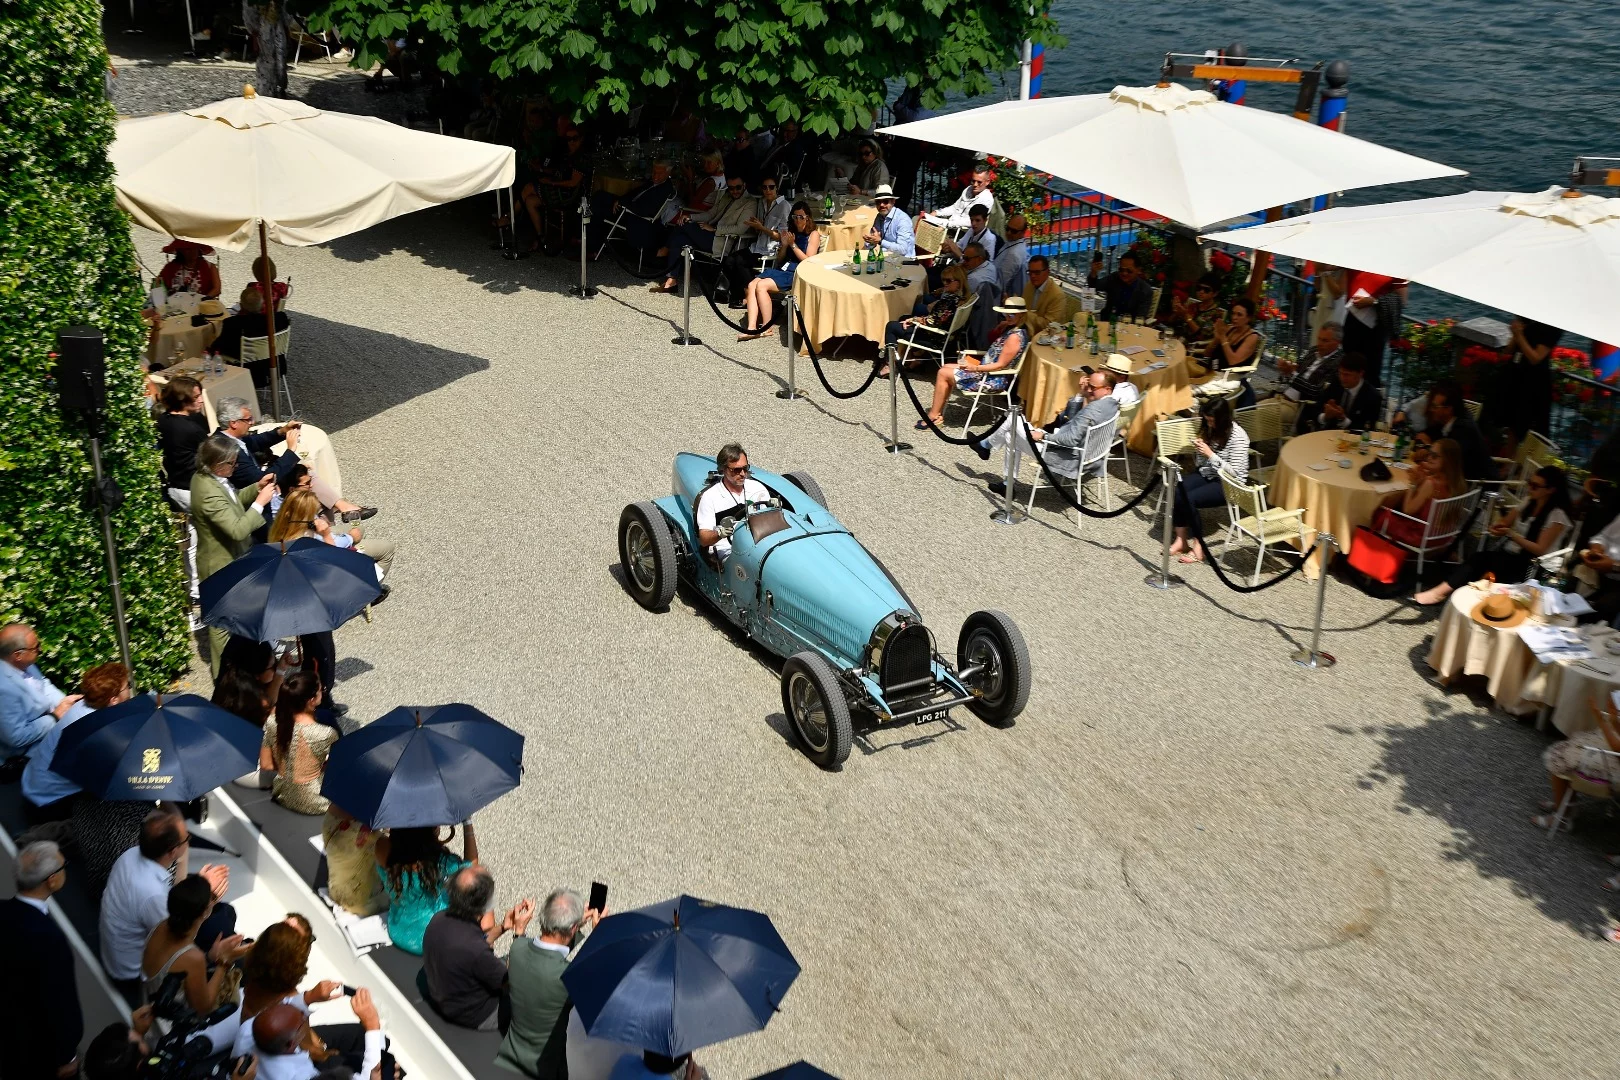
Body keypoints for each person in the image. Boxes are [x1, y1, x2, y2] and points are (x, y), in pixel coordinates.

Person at [101, 805, 234, 1007]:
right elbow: (178, 935)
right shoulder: (152, 895)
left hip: (119, 951)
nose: (189, 840)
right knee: (224, 918)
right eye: (187, 839)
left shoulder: (130, 855)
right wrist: (209, 898)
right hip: (132, 971)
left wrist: (198, 884)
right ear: (173, 851)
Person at [1414, 465, 1571, 606]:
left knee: (1480, 561)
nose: (1530, 488)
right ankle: (1443, 594)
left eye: (1535, 486)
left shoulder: (1557, 516)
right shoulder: (1529, 501)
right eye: (1529, 483)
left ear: (1550, 490)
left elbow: (1540, 550)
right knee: (1479, 560)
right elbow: (1506, 521)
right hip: (1515, 555)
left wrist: (1510, 533)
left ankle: (1440, 593)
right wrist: (1498, 526)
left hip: (1535, 566)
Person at [192, 433, 278, 674]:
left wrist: (255, 488)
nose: (236, 466)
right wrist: (260, 502)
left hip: (232, 560)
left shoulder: (212, 478)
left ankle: (243, 672)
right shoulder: (207, 491)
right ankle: (223, 681)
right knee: (221, 629)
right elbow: (237, 530)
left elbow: (232, 502)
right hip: (219, 566)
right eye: (231, 463)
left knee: (236, 620)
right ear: (217, 464)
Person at [497, 888, 602, 1078]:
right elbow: (597, 996)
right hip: (545, 1068)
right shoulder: (568, 977)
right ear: (573, 928)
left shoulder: (517, 947)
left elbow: (548, 957)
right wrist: (598, 939)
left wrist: (575, 927)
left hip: (510, 1054)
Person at [1, 842, 82, 1080]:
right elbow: (60, 1003)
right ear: (52, 880)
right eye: (63, 866)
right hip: (37, 1052)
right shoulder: (49, 938)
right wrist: (67, 1055)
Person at [423, 865, 536, 1030]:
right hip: (479, 1014)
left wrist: (503, 927)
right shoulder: (476, 952)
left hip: (447, 997)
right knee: (535, 983)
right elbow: (513, 982)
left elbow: (477, 941)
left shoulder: (439, 919)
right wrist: (519, 933)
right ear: (485, 903)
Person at [976, 371, 1120, 500]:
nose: (1088, 389)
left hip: (1065, 455)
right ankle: (1002, 477)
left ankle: (986, 446)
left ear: (1107, 389)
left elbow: (1071, 439)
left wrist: (1043, 437)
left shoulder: (1093, 410)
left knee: (1013, 419)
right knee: (1011, 433)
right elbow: (1076, 423)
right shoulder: (1112, 405)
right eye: (1089, 385)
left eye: (1093, 387)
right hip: (1090, 456)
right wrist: (1082, 394)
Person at [23, 661, 130, 822]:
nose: (129, 690)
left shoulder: (84, 705)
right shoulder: (94, 732)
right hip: (49, 804)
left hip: (34, 784)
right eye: (127, 686)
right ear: (114, 700)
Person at [141, 874, 249, 1024]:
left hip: (149, 995)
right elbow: (203, 1008)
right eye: (211, 898)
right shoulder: (192, 957)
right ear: (204, 912)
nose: (214, 900)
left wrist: (209, 957)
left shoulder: (162, 924)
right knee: (242, 963)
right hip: (165, 1021)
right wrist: (223, 962)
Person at [915, 301, 1029, 429]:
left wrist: (975, 368)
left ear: (1021, 315)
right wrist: (999, 328)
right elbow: (992, 342)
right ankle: (937, 413)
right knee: (946, 367)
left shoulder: (1014, 337)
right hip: (986, 372)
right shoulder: (1013, 330)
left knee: (943, 373)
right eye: (1006, 314)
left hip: (992, 379)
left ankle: (933, 416)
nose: (1008, 317)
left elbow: (1000, 365)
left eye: (1012, 315)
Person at [1168, 397, 1251, 564]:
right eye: (1207, 420)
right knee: (1179, 490)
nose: (1209, 424)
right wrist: (1200, 450)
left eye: (1212, 420)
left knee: (1190, 499)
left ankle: (1199, 547)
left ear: (1222, 418)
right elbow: (1201, 465)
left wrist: (1210, 454)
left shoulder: (1239, 437)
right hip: (1210, 474)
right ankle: (1181, 540)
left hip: (1230, 484)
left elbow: (1234, 473)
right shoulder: (1211, 430)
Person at [375, 823, 477, 954]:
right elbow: (472, 871)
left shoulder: (382, 848)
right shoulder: (443, 862)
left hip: (399, 932)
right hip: (434, 941)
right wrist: (468, 825)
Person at [252, 989, 385, 1080]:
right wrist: (372, 1025)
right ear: (292, 1044)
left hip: (292, 1050)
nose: (304, 1016)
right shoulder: (298, 1076)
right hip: (312, 1071)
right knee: (386, 1066)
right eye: (302, 1022)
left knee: (359, 1033)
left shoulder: (250, 1029)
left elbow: (287, 1006)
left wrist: (309, 997)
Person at [654, 176, 756, 293]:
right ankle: (671, 281)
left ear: (744, 185)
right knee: (680, 238)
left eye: (738, 187)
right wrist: (691, 217)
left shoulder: (750, 202)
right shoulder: (727, 196)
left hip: (723, 241)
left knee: (685, 226)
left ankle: (665, 249)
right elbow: (710, 214)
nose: (734, 191)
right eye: (731, 188)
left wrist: (714, 229)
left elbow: (740, 229)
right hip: (709, 236)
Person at [738, 202, 820, 340]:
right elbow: (780, 259)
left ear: (808, 217)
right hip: (783, 268)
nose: (797, 220)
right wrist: (784, 246)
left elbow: (808, 261)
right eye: (795, 217)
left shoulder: (813, 234)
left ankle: (767, 327)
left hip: (797, 271)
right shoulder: (790, 232)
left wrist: (793, 245)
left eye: (801, 217)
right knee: (752, 285)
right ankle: (751, 328)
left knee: (761, 286)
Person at [261, 671, 337, 815]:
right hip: (315, 802)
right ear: (311, 700)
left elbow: (266, 764)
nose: (322, 692)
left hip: (282, 793)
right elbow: (336, 768)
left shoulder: (272, 722)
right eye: (321, 690)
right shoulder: (326, 733)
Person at [0, 622, 79, 759]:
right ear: (18, 655)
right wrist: (55, 716)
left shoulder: (25, 665)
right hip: (24, 757)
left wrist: (68, 704)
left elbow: (43, 685)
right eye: (35, 647)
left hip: (48, 738)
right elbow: (16, 737)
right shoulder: (3, 688)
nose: (40, 649)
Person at [1370, 437, 1467, 550]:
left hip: (1421, 538)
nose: (1429, 458)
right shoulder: (1458, 483)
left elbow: (1408, 510)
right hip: (1443, 538)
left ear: (1447, 460)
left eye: (1434, 456)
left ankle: (1370, 549)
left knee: (1379, 512)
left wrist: (1413, 484)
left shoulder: (1431, 484)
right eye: (1429, 453)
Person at [881, 264, 966, 376]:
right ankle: (912, 357)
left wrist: (913, 320)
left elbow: (932, 322)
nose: (945, 283)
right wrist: (912, 319)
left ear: (959, 282)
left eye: (948, 281)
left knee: (891, 326)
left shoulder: (949, 302)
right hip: (946, 336)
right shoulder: (961, 297)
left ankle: (890, 365)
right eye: (943, 280)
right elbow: (936, 319)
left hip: (934, 338)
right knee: (903, 318)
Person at [695, 444, 772, 566]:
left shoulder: (757, 488)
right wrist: (720, 533)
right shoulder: (710, 497)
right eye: (736, 470)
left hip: (759, 544)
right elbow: (704, 539)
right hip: (728, 550)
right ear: (723, 469)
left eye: (745, 468)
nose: (742, 474)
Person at [1496, 316, 1564, 454]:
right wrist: (1516, 334)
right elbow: (1509, 349)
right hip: (1516, 377)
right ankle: (1508, 460)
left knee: (1531, 428)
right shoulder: (1527, 319)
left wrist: (1519, 335)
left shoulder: (1551, 328)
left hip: (1534, 384)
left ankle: (1524, 462)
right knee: (1511, 425)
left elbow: (1535, 358)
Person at [722, 176, 791, 301]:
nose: (768, 190)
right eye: (765, 187)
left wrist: (762, 227)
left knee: (740, 261)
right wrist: (757, 226)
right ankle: (742, 294)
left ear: (777, 188)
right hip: (757, 246)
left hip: (771, 250)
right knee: (729, 260)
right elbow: (759, 230)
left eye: (771, 187)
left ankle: (749, 296)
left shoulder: (784, 206)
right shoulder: (762, 203)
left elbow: (782, 236)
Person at [520, 127, 589, 248]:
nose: (571, 142)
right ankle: (540, 237)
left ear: (581, 139)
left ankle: (509, 218)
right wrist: (542, 171)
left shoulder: (581, 157)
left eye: (575, 138)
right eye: (568, 139)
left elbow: (573, 183)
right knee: (530, 201)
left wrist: (551, 183)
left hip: (569, 196)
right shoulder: (568, 154)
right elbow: (557, 172)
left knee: (529, 187)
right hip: (559, 190)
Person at [589, 160, 676, 254]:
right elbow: (634, 193)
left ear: (668, 173)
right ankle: (587, 236)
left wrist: (623, 203)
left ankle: (592, 246)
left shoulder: (664, 189)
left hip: (633, 215)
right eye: (654, 172)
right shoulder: (654, 182)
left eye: (659, 173)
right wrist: (620, 200)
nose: (655, 176)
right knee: (599, 195)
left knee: (598, 209)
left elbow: (645, 210)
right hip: (629, 207)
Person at [211, 288, 291, 387]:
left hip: (247, 374)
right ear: (262, 305)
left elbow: (218, 347)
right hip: (275, 368)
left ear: (241, 306)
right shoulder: (280, 318)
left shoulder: (233, 324)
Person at [323, 803, 386, 916]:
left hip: (336, 892)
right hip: (362, 903)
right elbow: (391, 855)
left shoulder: (331, 814)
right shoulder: (365, 834)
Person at [1423, 380, 1494, 480]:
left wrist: (1426, 454)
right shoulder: (1444, 420)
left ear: (1448, 409)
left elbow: (1447, 465)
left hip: (1475, 484)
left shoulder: (1464, 430)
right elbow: (1424, 435)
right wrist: (1425, 447)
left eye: (1435, 406)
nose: (1431, 409)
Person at [1342, 269, 1402, 384]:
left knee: (1369, 371)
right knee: (1347, 364)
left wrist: (1373, 301)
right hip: (1352, 320)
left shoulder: (1396, 269)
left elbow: (1401, 300)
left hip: (1374, 328)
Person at [1274, 321, 1345, 420]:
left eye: (1325, 341)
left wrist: (1292, 374)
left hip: (1301, 407)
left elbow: (1317, 392)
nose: (1320, 344)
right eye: (1319, 339)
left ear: (1338, 342)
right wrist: (1285, 371)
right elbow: (1294, 371)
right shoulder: (1313, 351)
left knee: (1260, 414)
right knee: (1253, 406)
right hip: (1282, 396)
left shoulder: (1339, 363)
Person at [1295, 352, 1380, 434]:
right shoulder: (1336, 384)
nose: (1342, 378)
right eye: (1340, 373)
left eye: (1347, 375)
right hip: (1327, 435)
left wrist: (1343, 419)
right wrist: (1325, 416)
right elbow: (1317, 408)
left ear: (1360, 373)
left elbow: (1367, 429)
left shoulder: (1372, 396)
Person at [1198, 296, 1263, 374]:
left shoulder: (1252, 337)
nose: (1234, 317)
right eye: (1233, 313)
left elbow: (1233, 361)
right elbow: (1206, 354)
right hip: (1211, 367)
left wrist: (1223, 337)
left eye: (1239, 315)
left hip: (1227, 375)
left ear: (1249, 318)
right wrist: (1216, 339)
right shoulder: (1229, 329)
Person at [1087, 251, 1152, 323]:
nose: (1124, 273)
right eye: (1121, 270)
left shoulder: (1145, 290)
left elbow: (1140, 318)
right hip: (1107, 322)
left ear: (1138, 270)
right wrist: (1094, 272)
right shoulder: (1114, 278)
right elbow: (1094, 287)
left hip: (1129, 325)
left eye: (1129, 271)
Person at [961, 241, 1001, 349]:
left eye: (967, 259)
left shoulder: (973, 279)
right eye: (963, 257)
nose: (964, 261)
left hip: (969, 317)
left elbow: (959, 299)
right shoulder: (990, 266)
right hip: (989, 312)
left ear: (979, 259)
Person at [930, 166, 995, 230]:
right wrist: (937, 212)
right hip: (951, 225)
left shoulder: (987, 199)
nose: (975, 184)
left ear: (987, 182)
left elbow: (971, 221)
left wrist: (947, 224)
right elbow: (955, 208)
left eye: (979, 182)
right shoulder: (968, 189)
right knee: (927, 219)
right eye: (973, 181)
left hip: (965, 231)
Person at [861, 185, 915, 259]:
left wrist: (880, 241)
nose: (881, 205)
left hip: (903, 261)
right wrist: (870, 241)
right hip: (886, 257)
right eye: (878, 202)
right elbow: (872, 242)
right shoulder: (879, 216)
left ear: (893, 202)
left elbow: (903, 250)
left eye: (885, 201)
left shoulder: (902, 220)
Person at [157, 239, 221, 298]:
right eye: (188, 249)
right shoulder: (170, 267)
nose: (192, 251)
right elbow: (158, 284)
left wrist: (205, 299)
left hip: (201, 304)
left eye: (195, 248)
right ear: (181, 251)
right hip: (173, 304)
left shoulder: (210, 267)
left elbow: (217, 289)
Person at [1170, 275, 1222, 345]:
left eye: (1206, 290)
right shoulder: (1193, 306)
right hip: (1177, 339)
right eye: (1199, 288)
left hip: (1193, 346)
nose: (1201, 292)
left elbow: (1202, 336)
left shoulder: (1216, 314)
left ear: (1215, 293)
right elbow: (1171, 322)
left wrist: (1187, 317)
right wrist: (1176, 312)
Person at [758, 120, 809, 188]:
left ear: (795, 132)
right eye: (783, 130)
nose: (785, 134)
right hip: (760, 174)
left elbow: (786, 171)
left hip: (769, 183)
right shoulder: (779, 143)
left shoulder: (795, 149)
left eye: (788, 131)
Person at [995, 214, 1030, 299]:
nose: (1009, 233)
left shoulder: (1014, 254)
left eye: (1014, 231)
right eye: (1007, 228)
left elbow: (1002, 282)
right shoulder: (1013, 243)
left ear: (1023, 232)